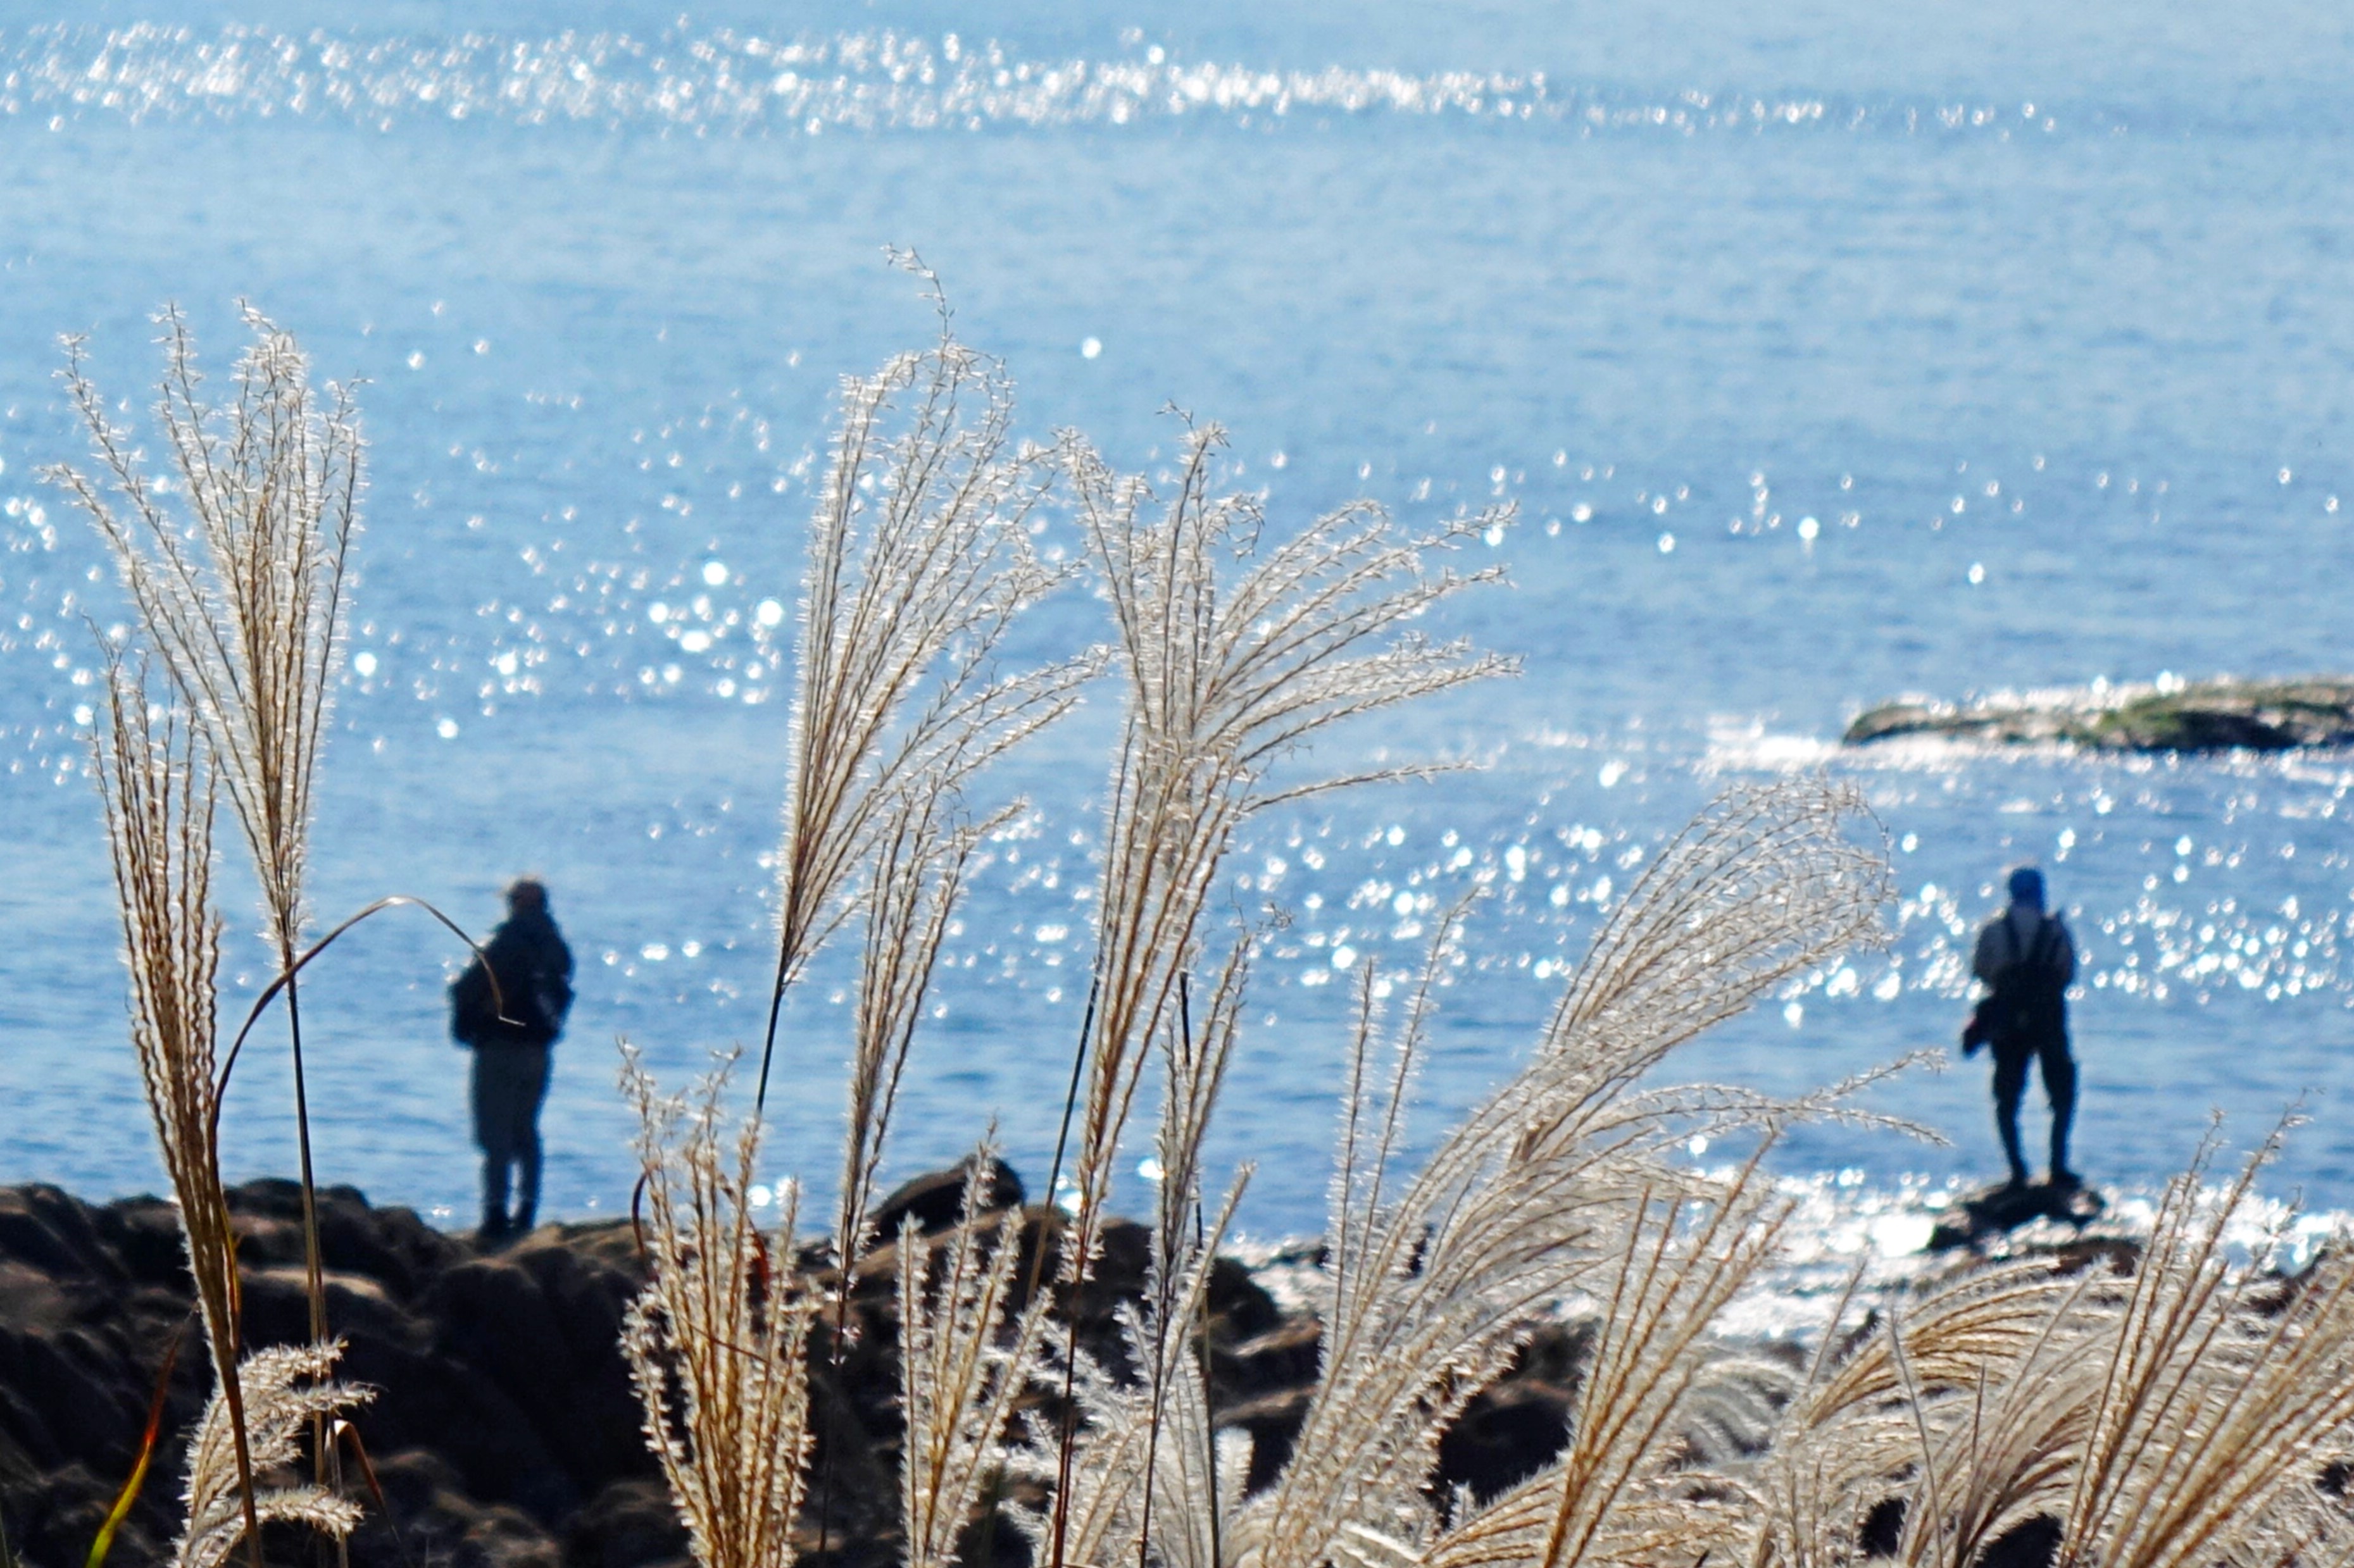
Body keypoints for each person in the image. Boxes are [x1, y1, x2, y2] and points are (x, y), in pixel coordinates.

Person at [451, 878, 574, 1241]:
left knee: (495, 1134)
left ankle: (494, 1214)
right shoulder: (556, 948)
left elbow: (467, 988)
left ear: (516, 904)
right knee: (526, 1130)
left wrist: (468, 1027)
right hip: (538, 1051)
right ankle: (527, 1210)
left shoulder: (504, 944)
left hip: (499, 1048)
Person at [1965, 865, 2078, 1190]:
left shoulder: (1993, 929)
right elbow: (2067, 973)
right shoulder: (2056, 930)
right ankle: (2058, 1167)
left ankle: (2017, 1171)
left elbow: (1980, 971)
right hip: (2049, 1018)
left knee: (2007, 1097)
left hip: (2006, 1020)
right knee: (2062, 1093)